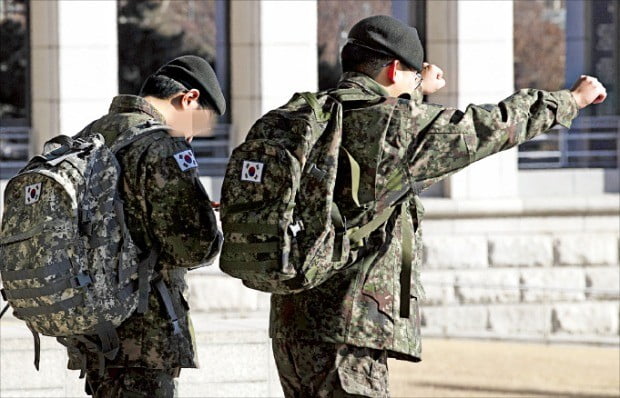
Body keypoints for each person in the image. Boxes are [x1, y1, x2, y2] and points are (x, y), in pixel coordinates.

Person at [269, 15, 607, 397]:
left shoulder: (304, 116)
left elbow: (378, 134)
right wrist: (571, 100)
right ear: (395, 68)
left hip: (291, 323)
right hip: (349, 329)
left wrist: (412, 88)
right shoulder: (396, 127)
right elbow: (489, 127)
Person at [61, 55, 225, 397]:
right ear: (189, 99)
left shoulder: (89, 134)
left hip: (92, 330)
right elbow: (193, 247)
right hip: (145, 335)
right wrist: (207, 220)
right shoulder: (161, 144)